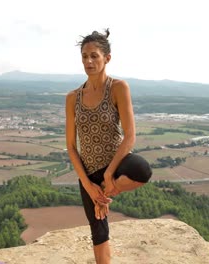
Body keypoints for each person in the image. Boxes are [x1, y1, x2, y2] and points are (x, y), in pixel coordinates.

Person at [65, 29, 152, 264]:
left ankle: (105, 192)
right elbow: (71, 146)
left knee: (143, 170)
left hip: (118, 163)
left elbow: (130, 136)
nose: (88, 61)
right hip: (89, 172)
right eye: (84, 56)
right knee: (99, 231)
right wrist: (89, 185)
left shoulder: (118, 88)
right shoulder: (73, 97)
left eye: (94, 56)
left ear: (107, 58)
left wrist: (108, 178)